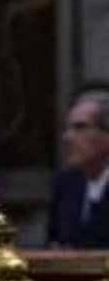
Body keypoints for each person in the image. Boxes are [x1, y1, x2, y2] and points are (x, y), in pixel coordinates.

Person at [48, 89, 109, 248]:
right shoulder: (66, 185)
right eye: (68, 128)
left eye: (80, 127)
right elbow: (54, 244)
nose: (68, 137)